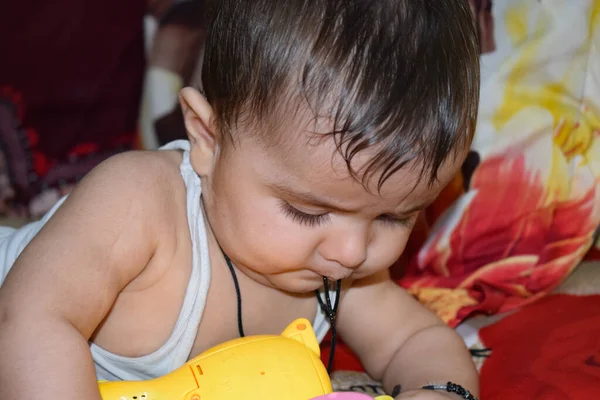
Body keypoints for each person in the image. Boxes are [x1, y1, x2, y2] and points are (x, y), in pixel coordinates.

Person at [0, 0, 481, 398]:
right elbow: (30, 323)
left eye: (395, 217)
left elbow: (417, 340)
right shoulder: (138, 204)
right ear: (209, 139)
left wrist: (437, 391)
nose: (353, 251)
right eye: (307, 211)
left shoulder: (337, 271)